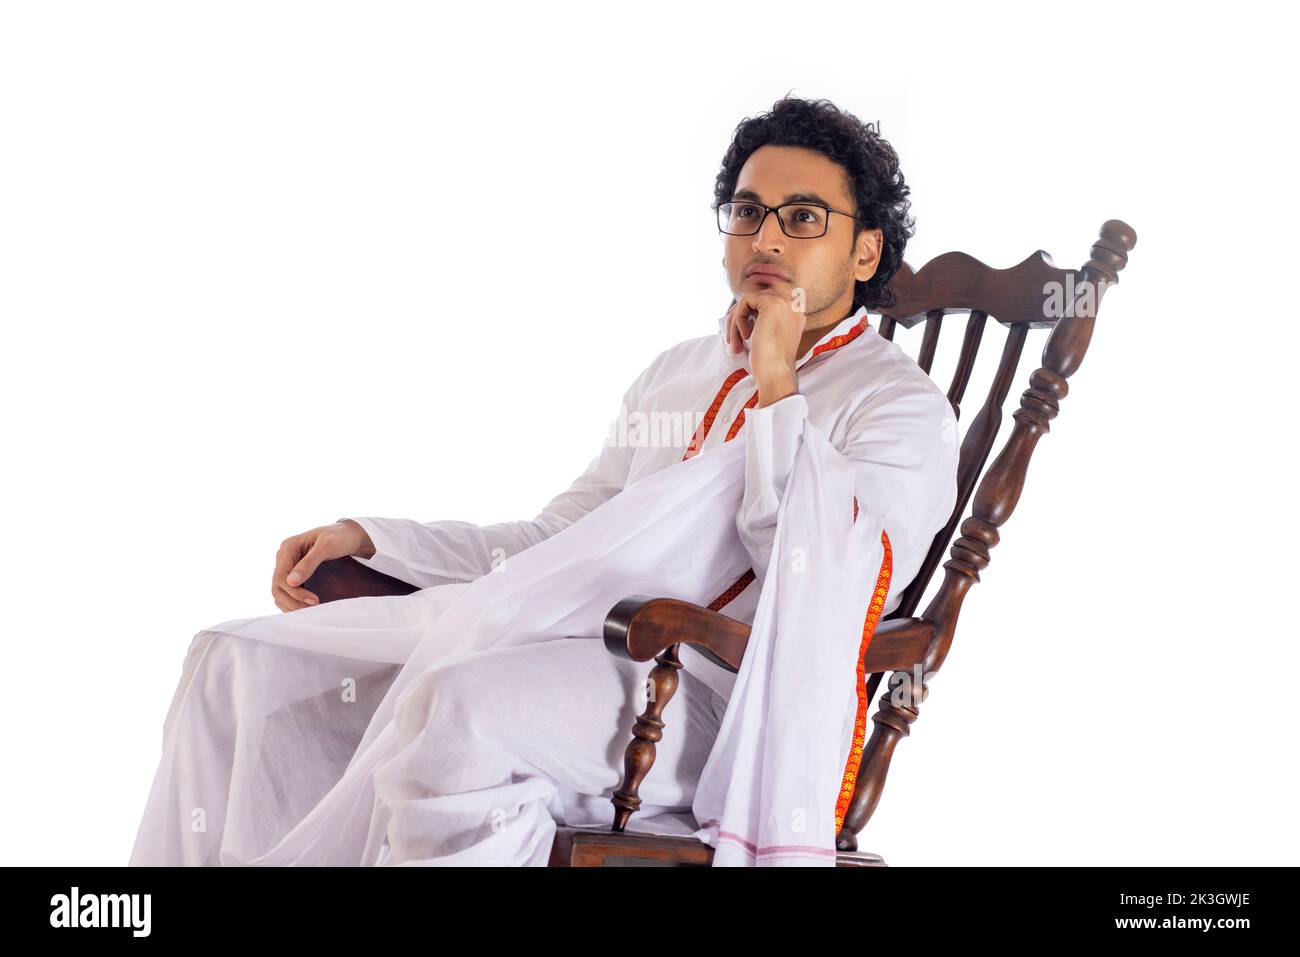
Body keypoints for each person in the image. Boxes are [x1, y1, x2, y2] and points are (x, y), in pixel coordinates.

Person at [128, 95, 959, 866]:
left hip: (717, 703)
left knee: (459, 710)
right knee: (236, 664)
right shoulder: (679, 372)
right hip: (573, 654)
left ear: (865, 249)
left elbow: (822, 591)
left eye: (803, 216)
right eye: (747, 211)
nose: (767, 238)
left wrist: (777, 378)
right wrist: (381, 541)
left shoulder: (901, 409)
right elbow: (553, 542)